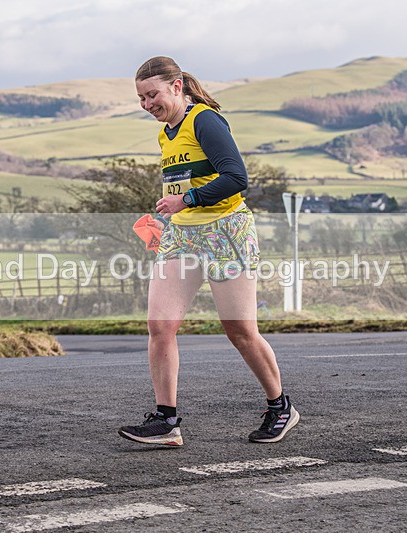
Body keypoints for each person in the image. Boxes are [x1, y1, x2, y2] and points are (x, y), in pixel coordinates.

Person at [117, 56, 299, 446]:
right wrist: (163, 220)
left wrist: (189, 199)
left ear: (177, 86)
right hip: (182, 235)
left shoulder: (205, 120)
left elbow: (237, 177)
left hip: (225, 231)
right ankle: (167, 421)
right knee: (160, 326)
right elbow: (179, 186)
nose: (147, 105)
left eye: (153, 95)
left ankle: (281, 407)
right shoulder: (166, 132)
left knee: (240, 330)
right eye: (141, 99)